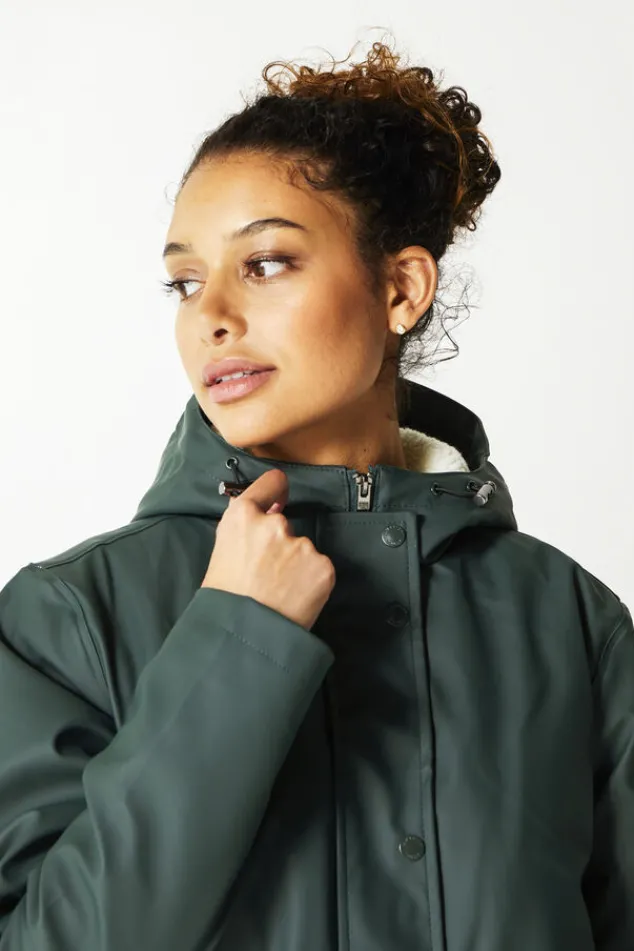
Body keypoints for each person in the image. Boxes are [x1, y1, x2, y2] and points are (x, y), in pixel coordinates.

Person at [0, 33, 631, 951]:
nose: (211, 316)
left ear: (401, 288)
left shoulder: (570, 622)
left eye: (264, 264)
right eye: (185, 281)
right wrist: (235, 640)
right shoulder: (68, 620)